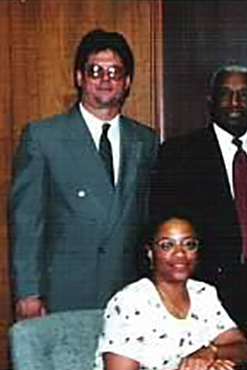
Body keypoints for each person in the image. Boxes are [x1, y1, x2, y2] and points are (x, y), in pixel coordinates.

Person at [10, 29, 159, 319]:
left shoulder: (146, 140)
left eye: (115, 72)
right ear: (79, 78)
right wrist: (28, 293)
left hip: (127, 295)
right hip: (63, 293)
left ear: (127, 82)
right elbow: (27, 223)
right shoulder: (43, 136)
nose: (105, 79)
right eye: (95, 71)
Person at [151, 65, 247, 337]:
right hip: (205, 291)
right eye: (226, 94)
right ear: (211, 102)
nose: (235, 103)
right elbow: (163, 229)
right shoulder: (179, 155)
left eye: (244, 95)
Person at [69, 214, 247, 370]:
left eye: (189, 244)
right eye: (167, 245)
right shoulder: (130, 302)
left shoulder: (203, 294)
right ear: (150, 253)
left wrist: (209, 353)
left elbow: (241, 348)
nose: (180, 253)